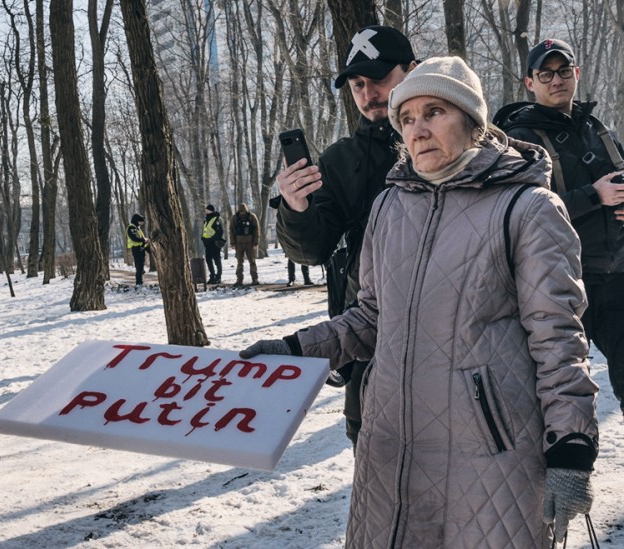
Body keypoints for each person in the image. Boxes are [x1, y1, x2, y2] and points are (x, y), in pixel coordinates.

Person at [244, 57, 598, 547]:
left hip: (490, 453)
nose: (418, 129)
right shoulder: (390, 206)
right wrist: (296, 349)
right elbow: (370, 318)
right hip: (389, 445)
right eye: (407, 119)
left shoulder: (527, 207)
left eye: (434, 112)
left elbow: (558, 340)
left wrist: (571, 448)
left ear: (473, 123)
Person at [271, 25, 416, 447]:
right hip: (368, 341)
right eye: (358, 85)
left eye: (380, 79)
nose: (369, 94)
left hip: (453, 341)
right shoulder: (340, 159)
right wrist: (296, 209)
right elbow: (310, 249)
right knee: (376, 468)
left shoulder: (452, 141)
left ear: (413, 70)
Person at [494, 38, 624, 415]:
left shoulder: (599, 130)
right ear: (529, 82)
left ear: (576, 74)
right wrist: (593, 196)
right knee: (557, 394)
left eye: (564, 71)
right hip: (555, 284)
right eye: (546, 73)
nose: (557, 80)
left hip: (615, 274)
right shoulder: (519, 140)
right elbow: (516, 214)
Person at [230, 203, 260, 285]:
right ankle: (239, 279)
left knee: (252, 261)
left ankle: (255, 279)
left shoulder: (251, 217)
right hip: (239, 243)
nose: (242, 213)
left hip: (250, 242)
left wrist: (255, 242)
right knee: (240, 262)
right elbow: (231, 230)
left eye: (243, 211)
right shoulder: (235, 218)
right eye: (241, 212)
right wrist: (232, 242)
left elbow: (256, 230)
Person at [201, 204, 224, 284]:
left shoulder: (216, 219)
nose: (206, 211)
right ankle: (212, 276)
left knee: (217, 260)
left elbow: (219, 232)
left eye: (207, 210)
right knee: (208, 260)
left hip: (215, 243)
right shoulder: (206, 219)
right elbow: (205, 231)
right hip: (208, 243)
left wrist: (212, 239)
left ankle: (218, 277)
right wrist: (203, 239)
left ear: (211, 210)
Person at [126, 213, 149, 287]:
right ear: (136, 221)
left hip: (141, 247)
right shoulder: (131, 228)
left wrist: (145, 242)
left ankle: (140, 281)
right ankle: (138, 283)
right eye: (140, 221)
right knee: (139, 266)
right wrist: (143, 240)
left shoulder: (137, 228)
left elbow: (140, 238)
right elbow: (134, 238)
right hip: (136, 249)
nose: (142, 223)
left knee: (141, 265)